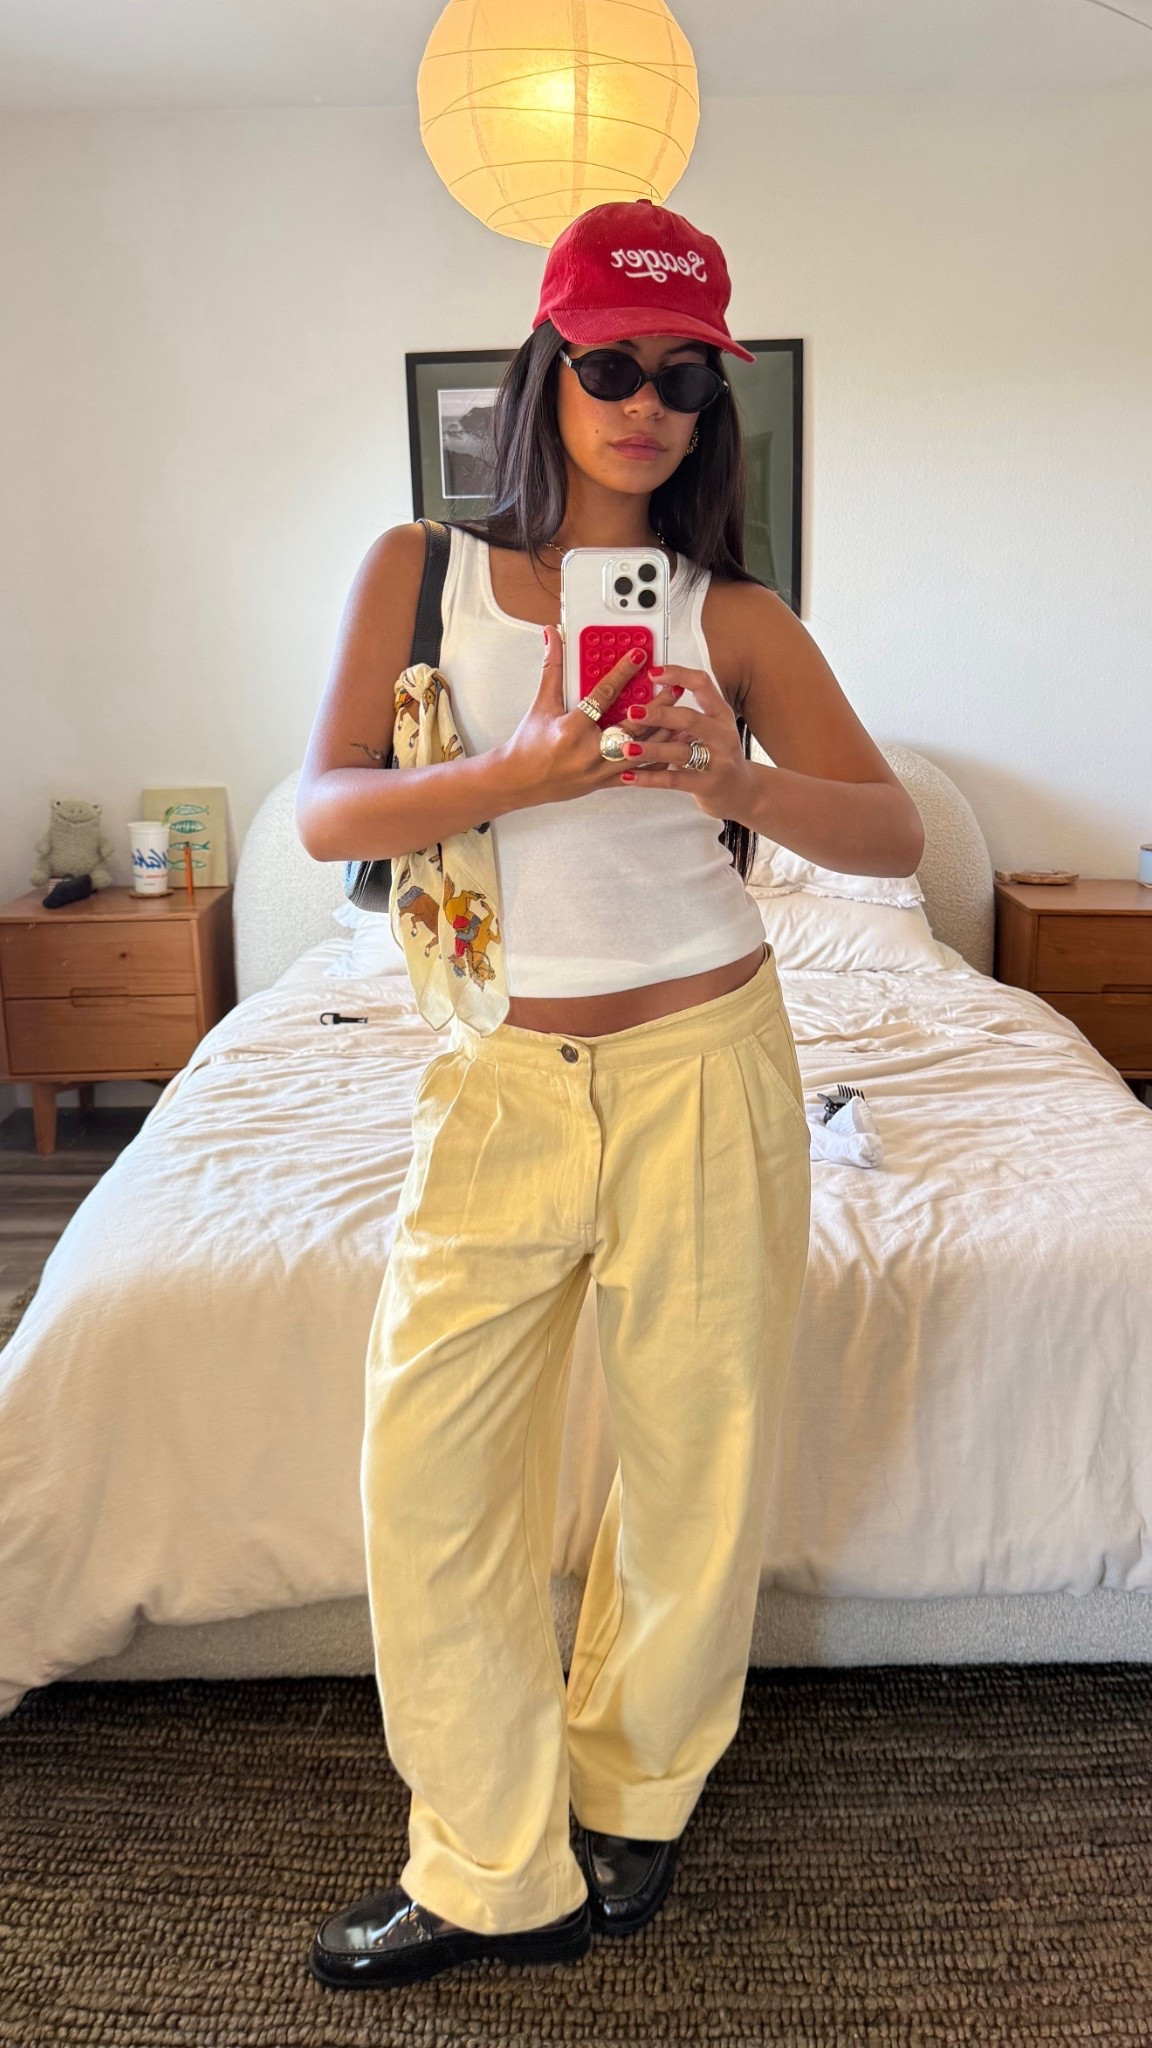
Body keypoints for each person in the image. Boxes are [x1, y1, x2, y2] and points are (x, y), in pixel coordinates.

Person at [296, 196, 924, 1992]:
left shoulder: (737, 612)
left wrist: (738, 776)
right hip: (500, 1072)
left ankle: (636, 1793)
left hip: (708, 1060)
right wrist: (513, 771)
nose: (645, 403)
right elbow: (329, 810)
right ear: (545, 373)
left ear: (713, 405)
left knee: (695, 1465)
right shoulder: (415, 566)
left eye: (684, 377)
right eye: (611, 364)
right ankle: (489, 1864)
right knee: (429, 1479)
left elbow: (891, 835)